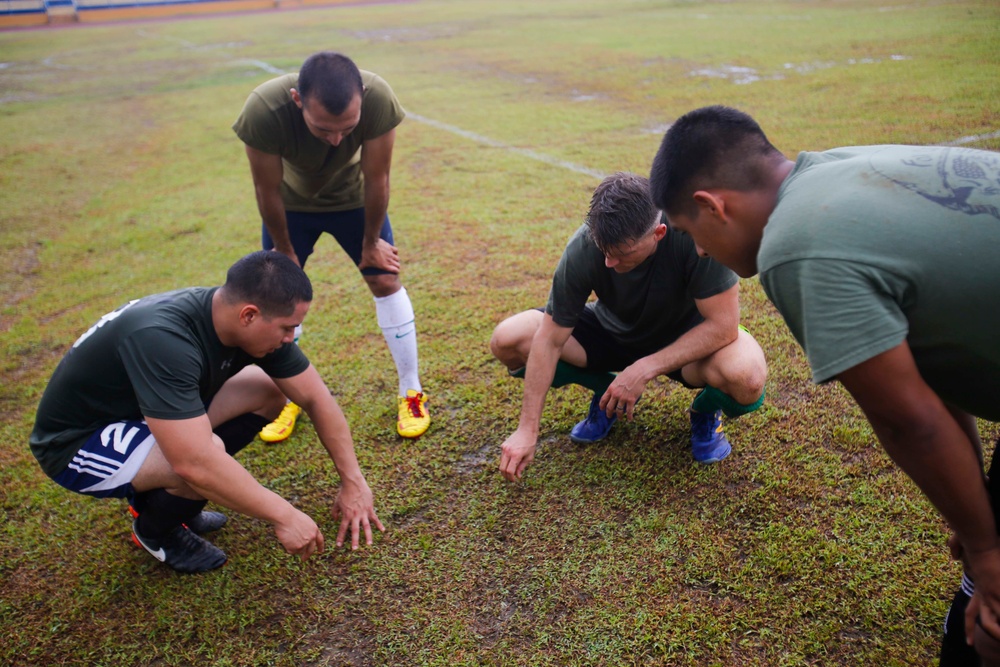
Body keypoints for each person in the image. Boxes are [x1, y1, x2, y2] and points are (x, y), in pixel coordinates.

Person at [648, 105, 1000, 664]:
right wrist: (976, 512)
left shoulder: (796, 244)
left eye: (692, 233)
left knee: (986, 633)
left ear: (713, 206)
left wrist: (985, 550)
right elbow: (931, 376)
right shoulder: (841, 167)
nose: (698, 252)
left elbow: (909, 419)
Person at [29, 251, 384, 573]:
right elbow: (194, 461)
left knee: (269, 390)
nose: (292, 338)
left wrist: (353, 481)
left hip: (143, 416)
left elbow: (316, 398)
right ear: (249, 315)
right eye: (287, 327)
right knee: (202, 457)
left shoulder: (239, 317)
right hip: (80, 441)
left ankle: (167, 501)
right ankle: (156, 529)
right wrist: (285, 515)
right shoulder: (165, 338)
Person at [490, 172, 767, 482]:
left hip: (685, 342)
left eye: (621, 254)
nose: (608, 262)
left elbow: (724, 326)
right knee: (508, 338)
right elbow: (551, 338)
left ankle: (704, 412)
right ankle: (606, 392)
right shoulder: (586, 245)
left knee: (748, 376)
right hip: (612, 333)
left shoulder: (695, 235)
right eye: (603, 251)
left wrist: (643, 369)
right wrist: (527, 429)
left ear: (658, 233)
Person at [232, 50, 429, 441]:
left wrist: (371, 242)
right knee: (276, 297)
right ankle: (285, 393)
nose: (337, 139)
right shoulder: (263, 110)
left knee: (385, 279)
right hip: (289, 206)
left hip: (353, 201)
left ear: (361, 98)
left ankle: (411, 389)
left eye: (346, 128)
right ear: (297, 100)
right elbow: (265, 188)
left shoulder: (378, 98)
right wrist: (284, 249)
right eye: (323, 130)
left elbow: (378, 179)